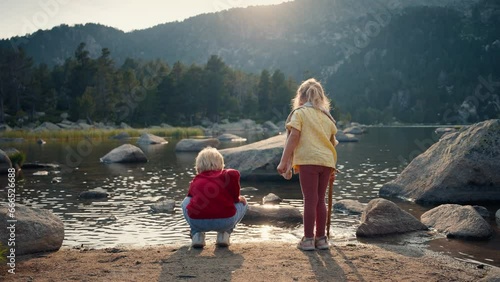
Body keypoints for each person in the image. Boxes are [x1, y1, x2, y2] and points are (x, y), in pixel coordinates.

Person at [277, 78, 338, 251]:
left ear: (301, 97)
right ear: (321, 97)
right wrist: (333, 167)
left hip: (308, 161)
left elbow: (294, 137)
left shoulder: (300, 113)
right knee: (320, 200)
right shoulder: (327, 117)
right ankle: (322, 239)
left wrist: (284, 161)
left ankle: (308, 240)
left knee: (310, 200)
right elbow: (332, 142)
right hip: (326, 162)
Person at [181, 147, 247, 248]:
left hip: (198, 222)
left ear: (198, 166)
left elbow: (191, 198)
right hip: (225, 222)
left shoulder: (196, 180)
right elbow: (235, 198)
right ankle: (224, 234)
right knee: (244, 203)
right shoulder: (226, 177)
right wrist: (238, 199)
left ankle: (197, 235)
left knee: (186, 201)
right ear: (221, 164)